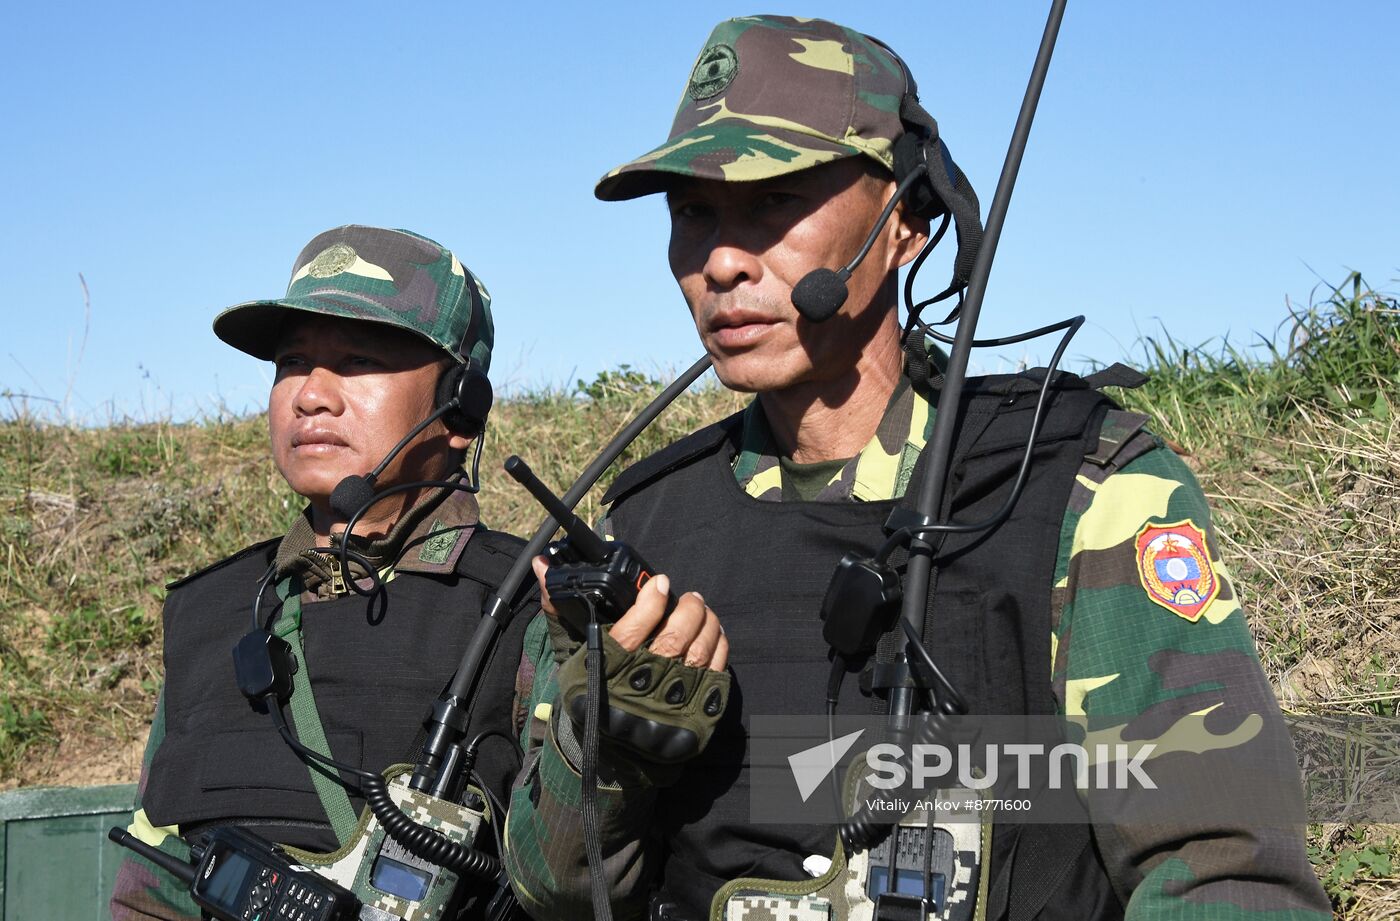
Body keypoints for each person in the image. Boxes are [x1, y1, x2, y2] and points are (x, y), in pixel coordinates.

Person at [503, 16, 1331, 921]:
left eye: (774, 198)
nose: (723, 262)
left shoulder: (1079, 488)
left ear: (906, 225)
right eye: (693, 212)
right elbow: (555, 891)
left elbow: (1223, 870)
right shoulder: (645, 524)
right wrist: (609, 751)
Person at [110, 225, 534, 920]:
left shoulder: (530, 604)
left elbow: (587, 876)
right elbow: (149, 880)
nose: (311, 395)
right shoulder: (213, 612)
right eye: (292, 362)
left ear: (462, 407)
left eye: (359, 361)